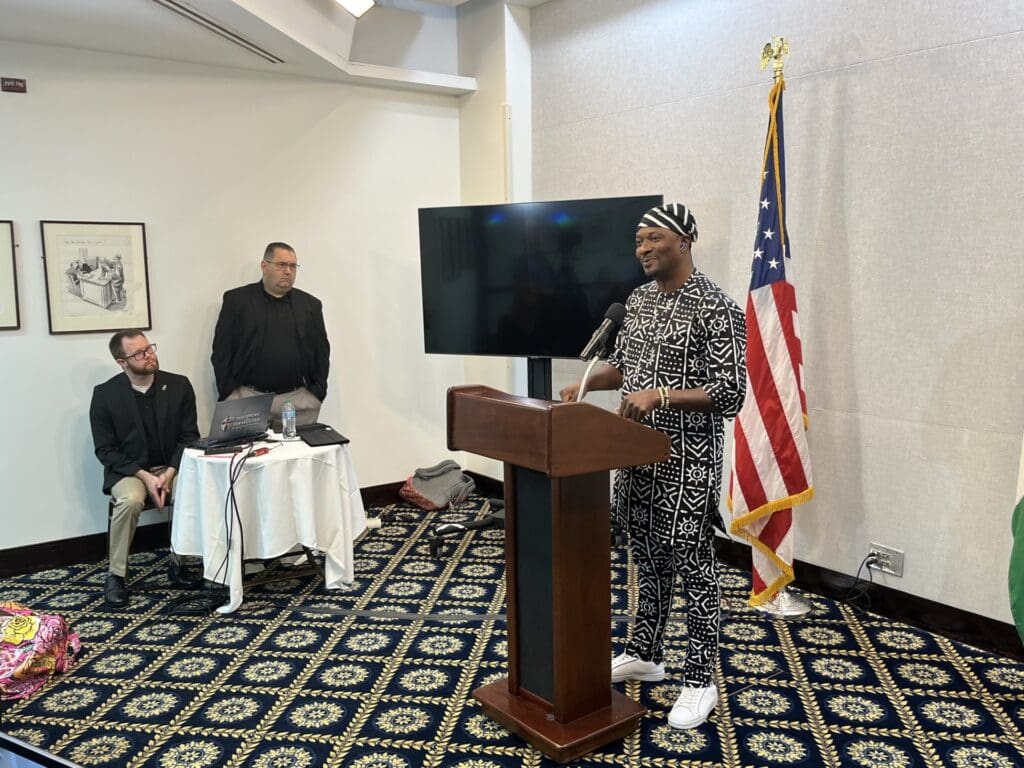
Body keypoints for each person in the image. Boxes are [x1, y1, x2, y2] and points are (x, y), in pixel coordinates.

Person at [560, 204, 746, 730]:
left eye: (652, 238)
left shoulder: (717, 308)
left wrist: (661, 396)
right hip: (632, 456)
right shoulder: (637, 302)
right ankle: (647, 652)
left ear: (684, 241)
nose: (641, 248)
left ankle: (700, 678)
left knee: (692, 565)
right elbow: (628, 371)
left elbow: (730, 392)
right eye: (637, 240)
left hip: (686, 462)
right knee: (645, 557)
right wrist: (590, 382)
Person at [89, 329, 203, 607]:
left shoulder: (178, 385)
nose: (149, 356)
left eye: (149, 348)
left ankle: (180, 563)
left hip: (171, 466)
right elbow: (105, 450)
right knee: (129, 502)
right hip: (130, 470)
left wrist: (168, 474)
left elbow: (190, 438)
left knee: (192, 491)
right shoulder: (105, 395)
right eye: (138, 353)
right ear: (122, 362)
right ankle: (116, 575)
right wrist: (146, 477)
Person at [211, 242, 329, 430]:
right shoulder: (237, 301)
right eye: (282, 265)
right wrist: (229, 394)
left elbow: (322, 352)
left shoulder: (310, 305)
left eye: (293, 266)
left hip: (298, 401)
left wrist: (317, 393)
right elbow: (221, 350)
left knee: (294, 458)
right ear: (264, 266)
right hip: (248, 397)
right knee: (247, 458)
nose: (288, 271)